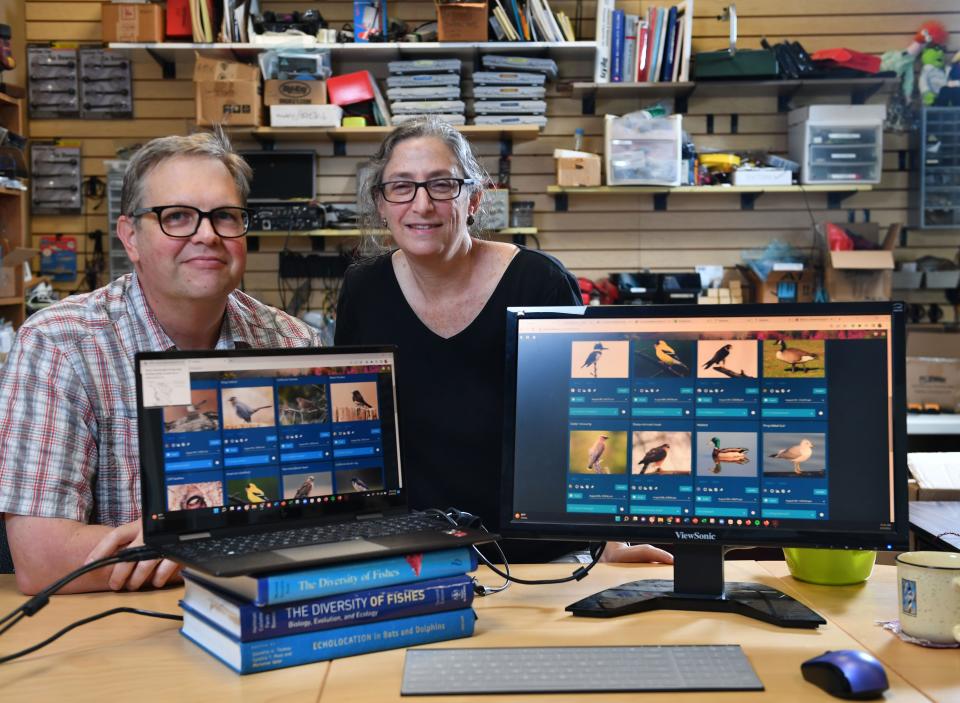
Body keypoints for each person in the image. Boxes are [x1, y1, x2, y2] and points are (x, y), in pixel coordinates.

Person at [335, 118, 672, 566]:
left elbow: (595, 415)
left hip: (540, 550)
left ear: (473, 198)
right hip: (414, 553)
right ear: (382, 204)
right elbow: (356, 430)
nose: (422, 204)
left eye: (442, 185)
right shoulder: (363, 289)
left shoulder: (540, 284)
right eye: (401, 187)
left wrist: (608, 536)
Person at [0, 130, 323, 595]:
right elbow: (43, 558)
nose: (207, 235)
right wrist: (225, 546)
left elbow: (320, 522)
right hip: (115, 635)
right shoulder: (59, 346)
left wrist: (184, 545)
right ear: (130, 237)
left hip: (262, 606)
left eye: (226, 217)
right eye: (177, 217)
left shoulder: (292, 342)